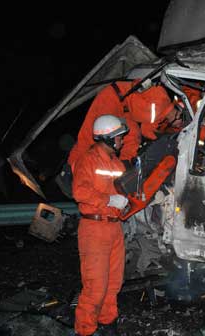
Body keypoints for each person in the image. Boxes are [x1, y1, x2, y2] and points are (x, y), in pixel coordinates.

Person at [71, 114, 130, 336]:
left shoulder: (117, 164)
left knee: (113, 284)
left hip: (114, 227)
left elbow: (122, 193)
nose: (122, 141)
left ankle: (108, 324)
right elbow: (80, 192)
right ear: (108, 137)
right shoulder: (89, 160)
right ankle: (84, 330)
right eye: (119, 137)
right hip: (94, 228)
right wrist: (108, 200)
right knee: (95, 288)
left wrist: (124, 204)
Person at [68, 80, 175, 170]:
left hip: (125, 111)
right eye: (180, 121)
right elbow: (140, 83)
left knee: (133, 136)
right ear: (179, 113)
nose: (178, 124)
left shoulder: (161, 117)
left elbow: (147, 130)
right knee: (95, 138)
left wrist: (162, 139)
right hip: (113, 98)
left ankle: (124, 167)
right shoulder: (161, 99)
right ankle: (73, 168)